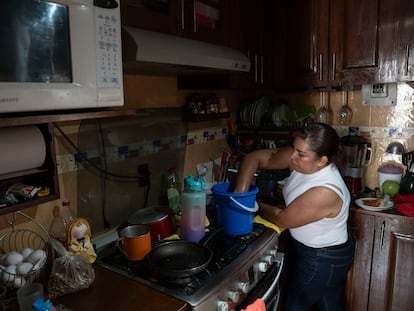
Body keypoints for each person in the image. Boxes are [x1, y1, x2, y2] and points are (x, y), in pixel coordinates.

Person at [234, 122, 355, 311]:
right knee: (329, 305)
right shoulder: (303, 160)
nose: (292, 156)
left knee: (294, 306)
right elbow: (253, 158)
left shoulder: (326, 191)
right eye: (295, 149)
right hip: (322, 252)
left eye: (300, 153)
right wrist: (240, 195)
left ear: (321, 161)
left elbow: (283, 218)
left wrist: (251, 204)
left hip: (323, 258)